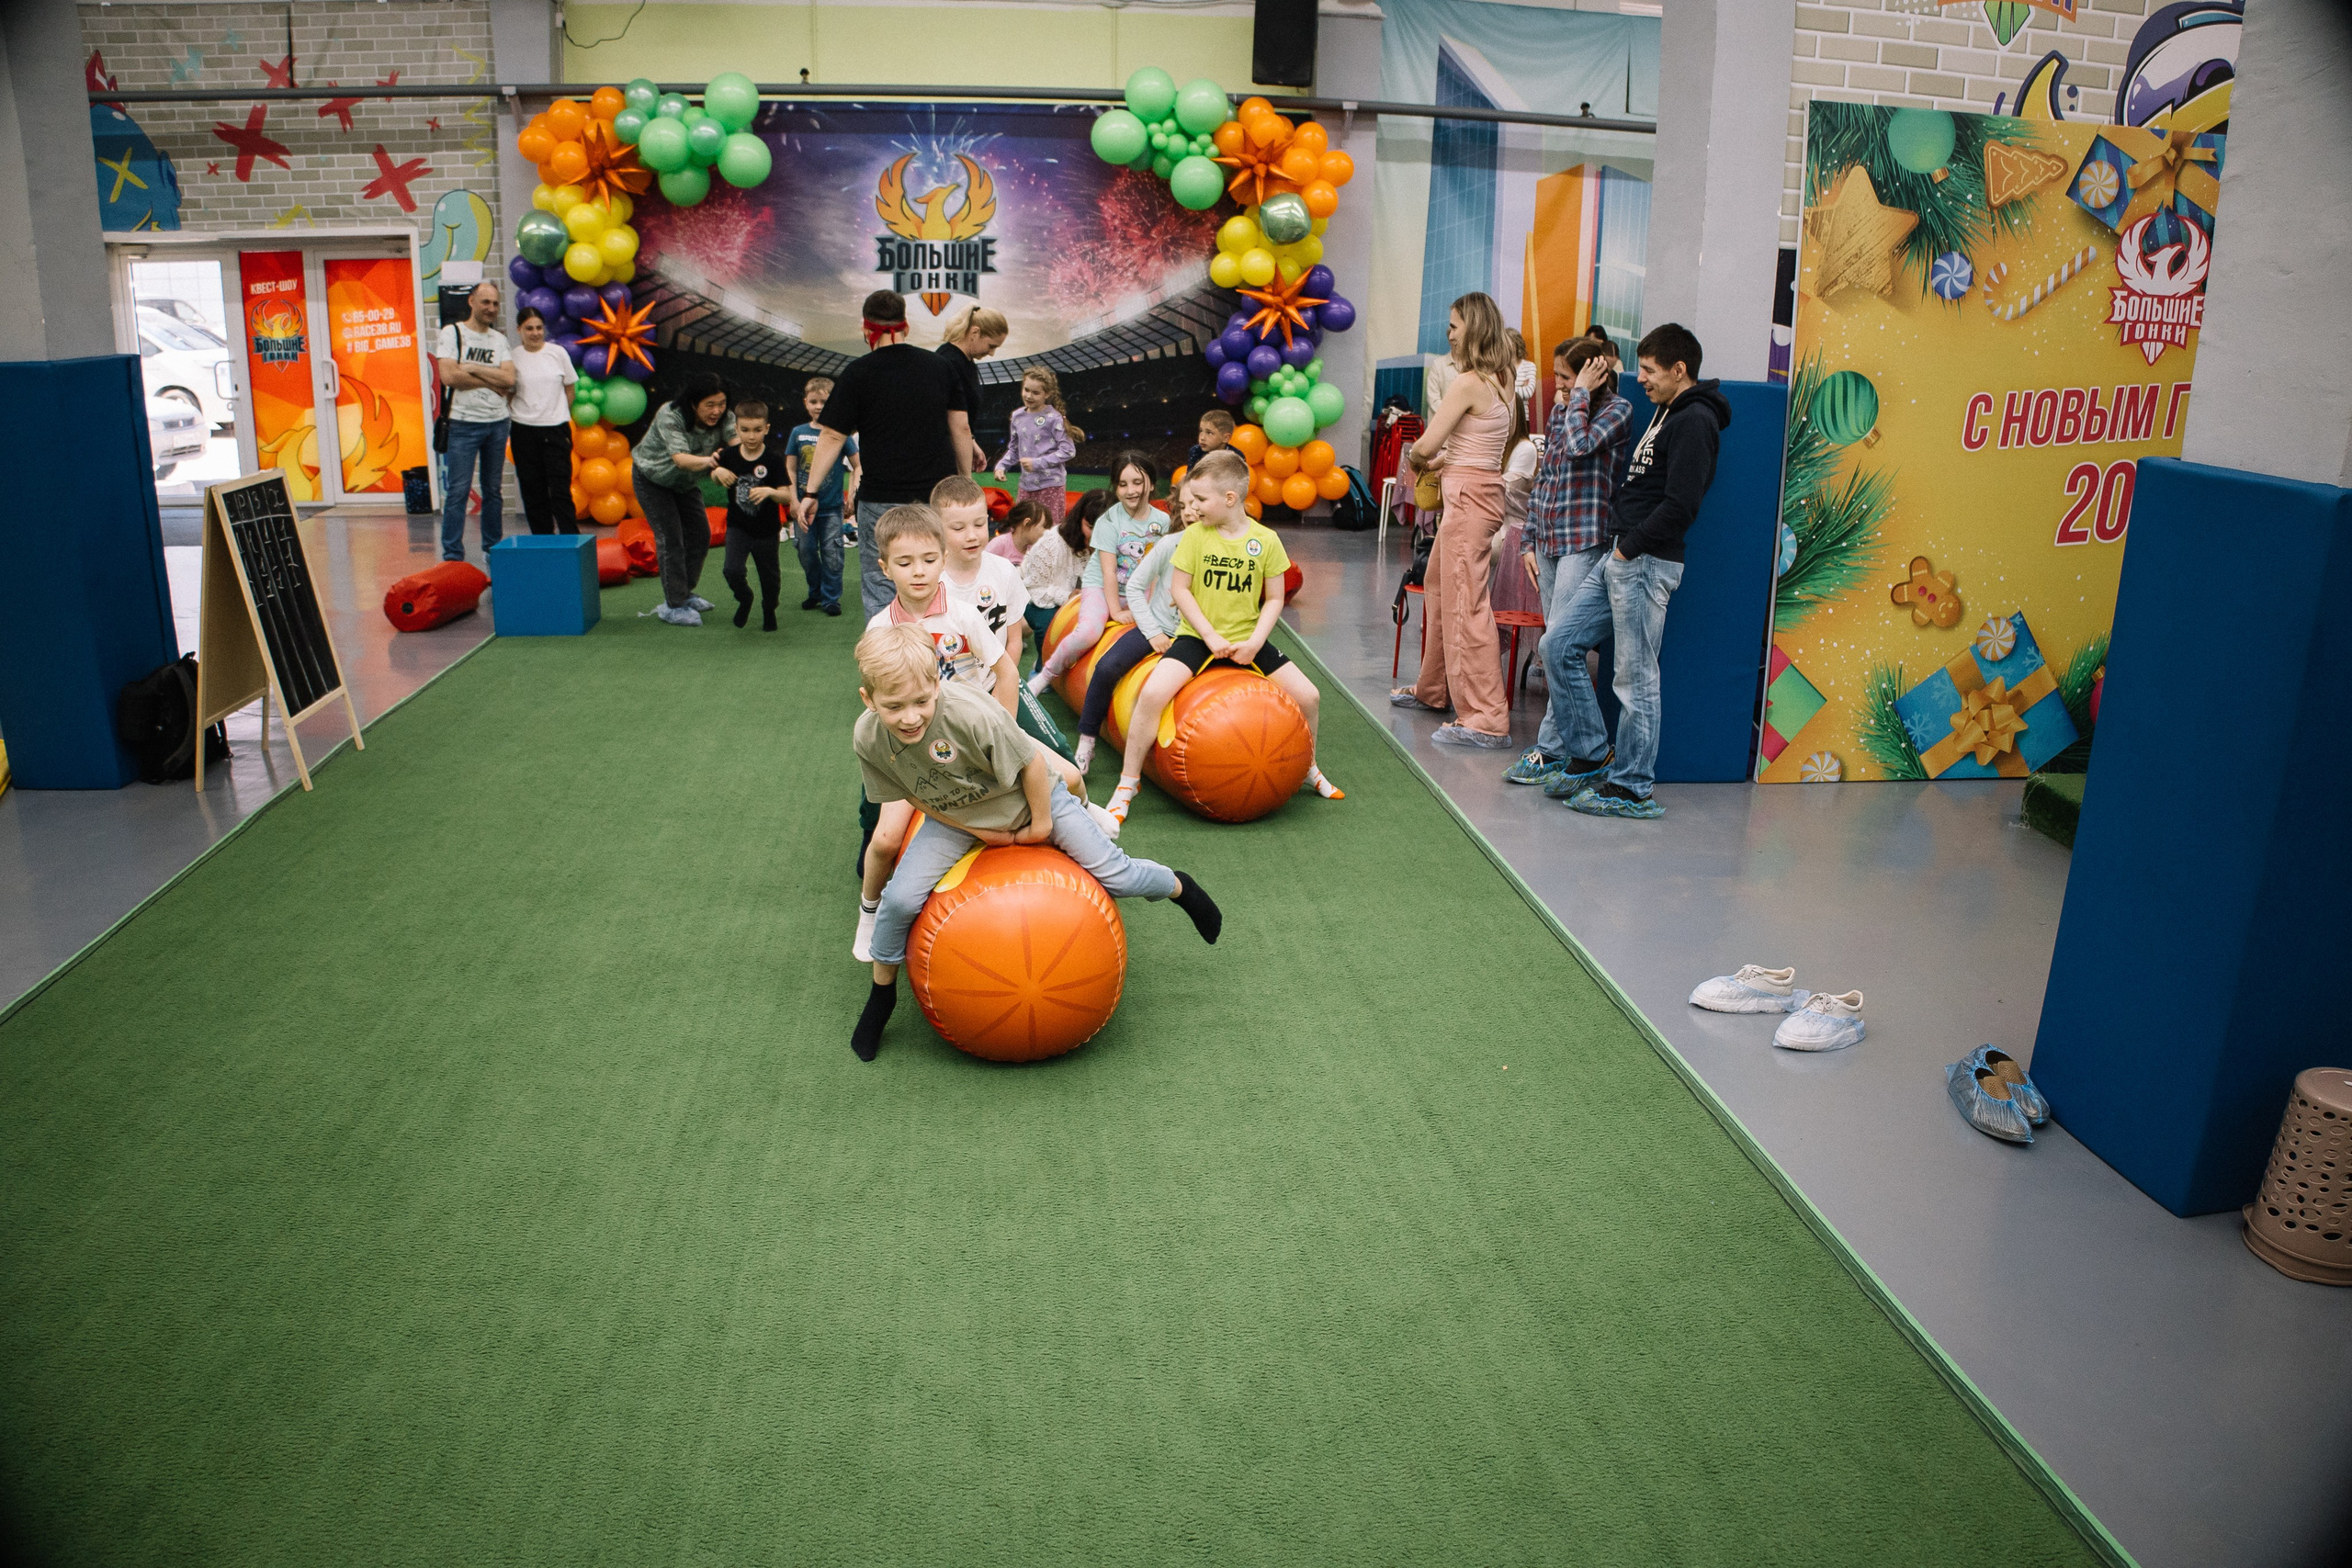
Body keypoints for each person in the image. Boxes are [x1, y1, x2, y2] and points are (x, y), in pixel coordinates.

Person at [847, 623, 1223, 1061]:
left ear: (937, 685)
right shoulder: (868, 737)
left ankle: (1179, 886)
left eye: (921, 702)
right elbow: (909, 791)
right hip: (957, 816)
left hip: (1031, 798)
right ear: (868, 700)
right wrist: (977, 831)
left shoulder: (971, 713)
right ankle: (881, 996)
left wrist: (1040, 826)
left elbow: (1031, 766)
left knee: (1118, 876)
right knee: (897, 902)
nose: (909, 717)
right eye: (893, 707)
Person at [854, 502, 1089, 961]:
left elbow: (1004, 670)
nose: (918, 572)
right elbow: (882, 698)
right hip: (919, 749)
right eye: (904, 563)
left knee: (1073, 778)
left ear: (942, 558)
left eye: (927, 560)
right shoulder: (881, 627)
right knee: (883, 839)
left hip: (979, 736)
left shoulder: (962, 615)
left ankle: (1079, 836)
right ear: (884, 568)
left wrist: (1004, 735)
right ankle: (869, 911)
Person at [1539, 321, 1730, 819]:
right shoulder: (1668, 412)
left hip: (1644, 561)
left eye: (1648, 370)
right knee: (1558, 644)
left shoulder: (1695, 420)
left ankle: (1632, 787)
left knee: (1635, 677)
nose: (1639, 379)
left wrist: (1629, 550)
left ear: (1678, 369)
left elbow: (1683, 504)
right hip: (1624, 555)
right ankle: (1588, 753)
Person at [1106, 450, 1341, 824]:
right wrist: (1211, 636)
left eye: (1200, 500)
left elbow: (1275, 598)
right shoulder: (1195, 537)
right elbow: (1180, 591)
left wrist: (1253, 642)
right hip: (1198, 637)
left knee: (1309, 695)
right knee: (1151, 694)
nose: (1193, 507)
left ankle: (1309, 767)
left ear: (1229, 499)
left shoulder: (1266, 540)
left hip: (1248, 636)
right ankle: (1128, 782)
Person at [1390, 291, 1520, 749]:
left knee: (1467, 604)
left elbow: (1425, 446)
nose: (1449, 332)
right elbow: (1482, 449)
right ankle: (1434, 689)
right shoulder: (1504, 378)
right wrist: (1445, 461)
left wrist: (1421, 458)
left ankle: (1486, 717)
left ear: (1474, 327)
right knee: (1443, 590)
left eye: (1454, 324)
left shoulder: (1467, 382)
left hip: (1467, 500)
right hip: (1475, 490)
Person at [796, 290, 972, 620]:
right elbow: (960, 428)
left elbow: (833, 435)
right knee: (937, 581)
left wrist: (810, 492)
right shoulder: (940, 367)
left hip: (880, 500)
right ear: (906, 326)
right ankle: (938, 660)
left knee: (881, 584)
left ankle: (889, 667)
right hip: (936, 497)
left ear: (867, 330)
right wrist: (966, 483)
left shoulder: (858, 372)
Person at [1503, 337, 1634, 786]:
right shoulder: (1562, 409)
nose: (1556, 384)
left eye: (1564, 375)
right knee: (1552, 643)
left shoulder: (1617, 410)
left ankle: (1549, 749)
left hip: (1585, 540)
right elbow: (1548, 477)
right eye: (1559, 376)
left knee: (1556, 644)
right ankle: (1559, 749)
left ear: (1588, 376)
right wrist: (1527, 541)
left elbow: (1580, 447)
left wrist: (1578, 394)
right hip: (1549, 540)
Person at [1029, 452, 1166, 694]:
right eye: (1122, 484)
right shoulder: (1109, 521)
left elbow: (1156, 570)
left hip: (1138, 588)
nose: (1130, 490)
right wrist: (1115, 611)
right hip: (1102, 586)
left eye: (1137, 482)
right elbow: (1108, 570)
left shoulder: (1162, 521)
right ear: (1116, 487)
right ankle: (1047, 673)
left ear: (1152, 484)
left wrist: (1148, 607)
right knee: (1089, 633)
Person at [1070, 521, 1182, 774]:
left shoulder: (1220, 549)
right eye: (1185, 506)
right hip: (1155, 626)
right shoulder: (1170, 543)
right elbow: (1136, 586)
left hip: (1192, 635)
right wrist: (1153, 631)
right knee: (1107, 667)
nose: (1191, 512)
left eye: (1195, 505)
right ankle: (1087, 739)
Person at [630, 372, 734, 626]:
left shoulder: (726, 417)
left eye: (721, 403)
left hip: (685, 484)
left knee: (701, 534)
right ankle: (674, 605)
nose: (717, 410)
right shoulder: (670, 414)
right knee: (671, 538)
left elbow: (738, 443)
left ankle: (684, 593)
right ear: (692, 403)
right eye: (710, 405)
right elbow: (680, 459)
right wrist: (713, 462)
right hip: (652, 480)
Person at [434, 280, 514, 562]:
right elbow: (450, 377)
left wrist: (472, 368)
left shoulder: (499, 340)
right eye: (485, 302)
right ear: (471, 302)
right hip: (462, 424)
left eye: (495, 303)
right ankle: (453, 556)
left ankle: (493, 550)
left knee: (493, 490)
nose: (491, 308)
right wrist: (491, 380)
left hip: (497, 423)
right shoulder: (452, 333)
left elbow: (510, 379)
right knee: (457, 492)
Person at [710, 400, 789, 630]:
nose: (751, 436)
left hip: (766, 530)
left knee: (770, 579)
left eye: (757, 430)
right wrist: (718, 471)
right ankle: (745, 598)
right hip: (738, 527)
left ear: (766, 428)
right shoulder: (729, 455)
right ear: (736, 428)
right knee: (731, 570)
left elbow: (787, 496)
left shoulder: (773, 460)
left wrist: (770, 491)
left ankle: (769, 608)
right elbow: (716, 478)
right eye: (745, 430)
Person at [784, 377, 856, 615]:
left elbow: (858, 465)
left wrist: (852, 494)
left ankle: (830, 598)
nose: (818, 407)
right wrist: (793, 499)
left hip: (832, 507)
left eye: (823, 402)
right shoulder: (798, 433)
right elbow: (791, 468)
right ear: (806, 403)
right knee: (805, 552)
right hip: (804, 509)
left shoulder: (840, 434)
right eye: (813, 401)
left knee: (833, 553)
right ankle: (815, 591)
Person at [504, 305, 579, 536]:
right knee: (532, 490)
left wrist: (555, 413)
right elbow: (509, 392)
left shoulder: (558, 353)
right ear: (519, 330)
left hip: (556, 430)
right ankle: (543, 540)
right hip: (524, 431)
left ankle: (570, 541)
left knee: (560, 491)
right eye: (529, 328)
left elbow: (570, 389)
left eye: (539, 328)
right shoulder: (512, 358)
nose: (535, 332)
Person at [1018, 492, 1094, 660]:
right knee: (1051, 624)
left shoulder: (1104, 544)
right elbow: (1035, 589)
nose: (1095, 535)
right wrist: (1067, 596)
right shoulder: (1053, 543)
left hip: (1078, 598)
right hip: (1038, 598)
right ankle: (1043, 668)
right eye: (1090, 527)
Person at [936, 306, 1006, 475]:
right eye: (991, 346)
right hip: (942, 459)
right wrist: (966, 478)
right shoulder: (950, 361)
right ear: (975, 333)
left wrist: (972, 443)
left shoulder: (964, 361)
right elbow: (957, 425)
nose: (992, 353)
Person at [996, 367, 1077, 509]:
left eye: (1036, 393)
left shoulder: (1054, 418)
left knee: (1047, 529)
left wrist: (1037, 463)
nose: (1029, 396)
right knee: (1023, 527)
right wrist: (1002, 466)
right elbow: (1014, 449)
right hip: (1026, 485)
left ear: (1047, 394)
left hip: (1051, 485)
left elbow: (1069, 450)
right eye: (1026, 390)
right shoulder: (1017, 416)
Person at [1184, 409, 1235, 476]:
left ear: (1226, 438)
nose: (1202, 438)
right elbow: (1190, 480)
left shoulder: (1236, 457)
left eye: (1209, 433)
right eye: (1201, 431)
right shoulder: (1195, 451)